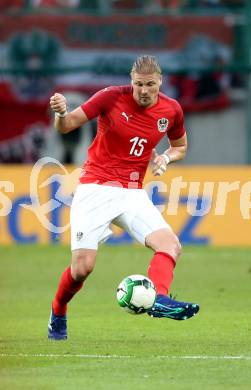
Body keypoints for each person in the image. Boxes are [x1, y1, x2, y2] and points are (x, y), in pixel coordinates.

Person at [48, 55, 200, 340]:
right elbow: (67, 125)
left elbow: (180, 146)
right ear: (131, 81)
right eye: (139, 84)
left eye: (150, 84)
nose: (144, 90)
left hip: (132, 191)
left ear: (160, 82)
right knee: (82, 268)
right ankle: (58, 310)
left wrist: (166, 158)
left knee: (170, 244)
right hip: (96, 187)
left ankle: (159, 300)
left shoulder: (172, 109)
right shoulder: (110, 97)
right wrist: (60, 113)